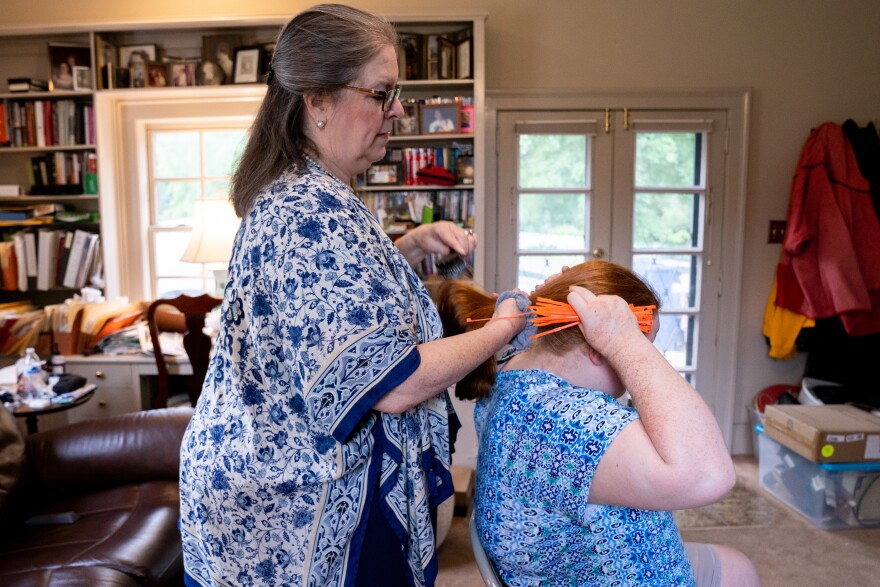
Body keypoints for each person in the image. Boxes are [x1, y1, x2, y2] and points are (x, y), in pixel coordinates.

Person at [177, 5, 525, 587]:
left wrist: (408, 247)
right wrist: (501, 328)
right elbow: (392, 381)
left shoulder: (318, 196)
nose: (396, 113)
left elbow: (341, 298)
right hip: (291, 513)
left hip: (291, 492)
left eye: (398, 95)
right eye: (381, 94)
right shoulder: (304, 210)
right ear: (317, 101)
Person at [436, 261, 761, 587]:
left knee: (735, 567)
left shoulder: (516, 376)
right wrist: (626, 343)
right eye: (646, 345)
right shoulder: (564, 423)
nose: (646, 357)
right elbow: (710, 475)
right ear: (597, 346)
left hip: (596, 561)